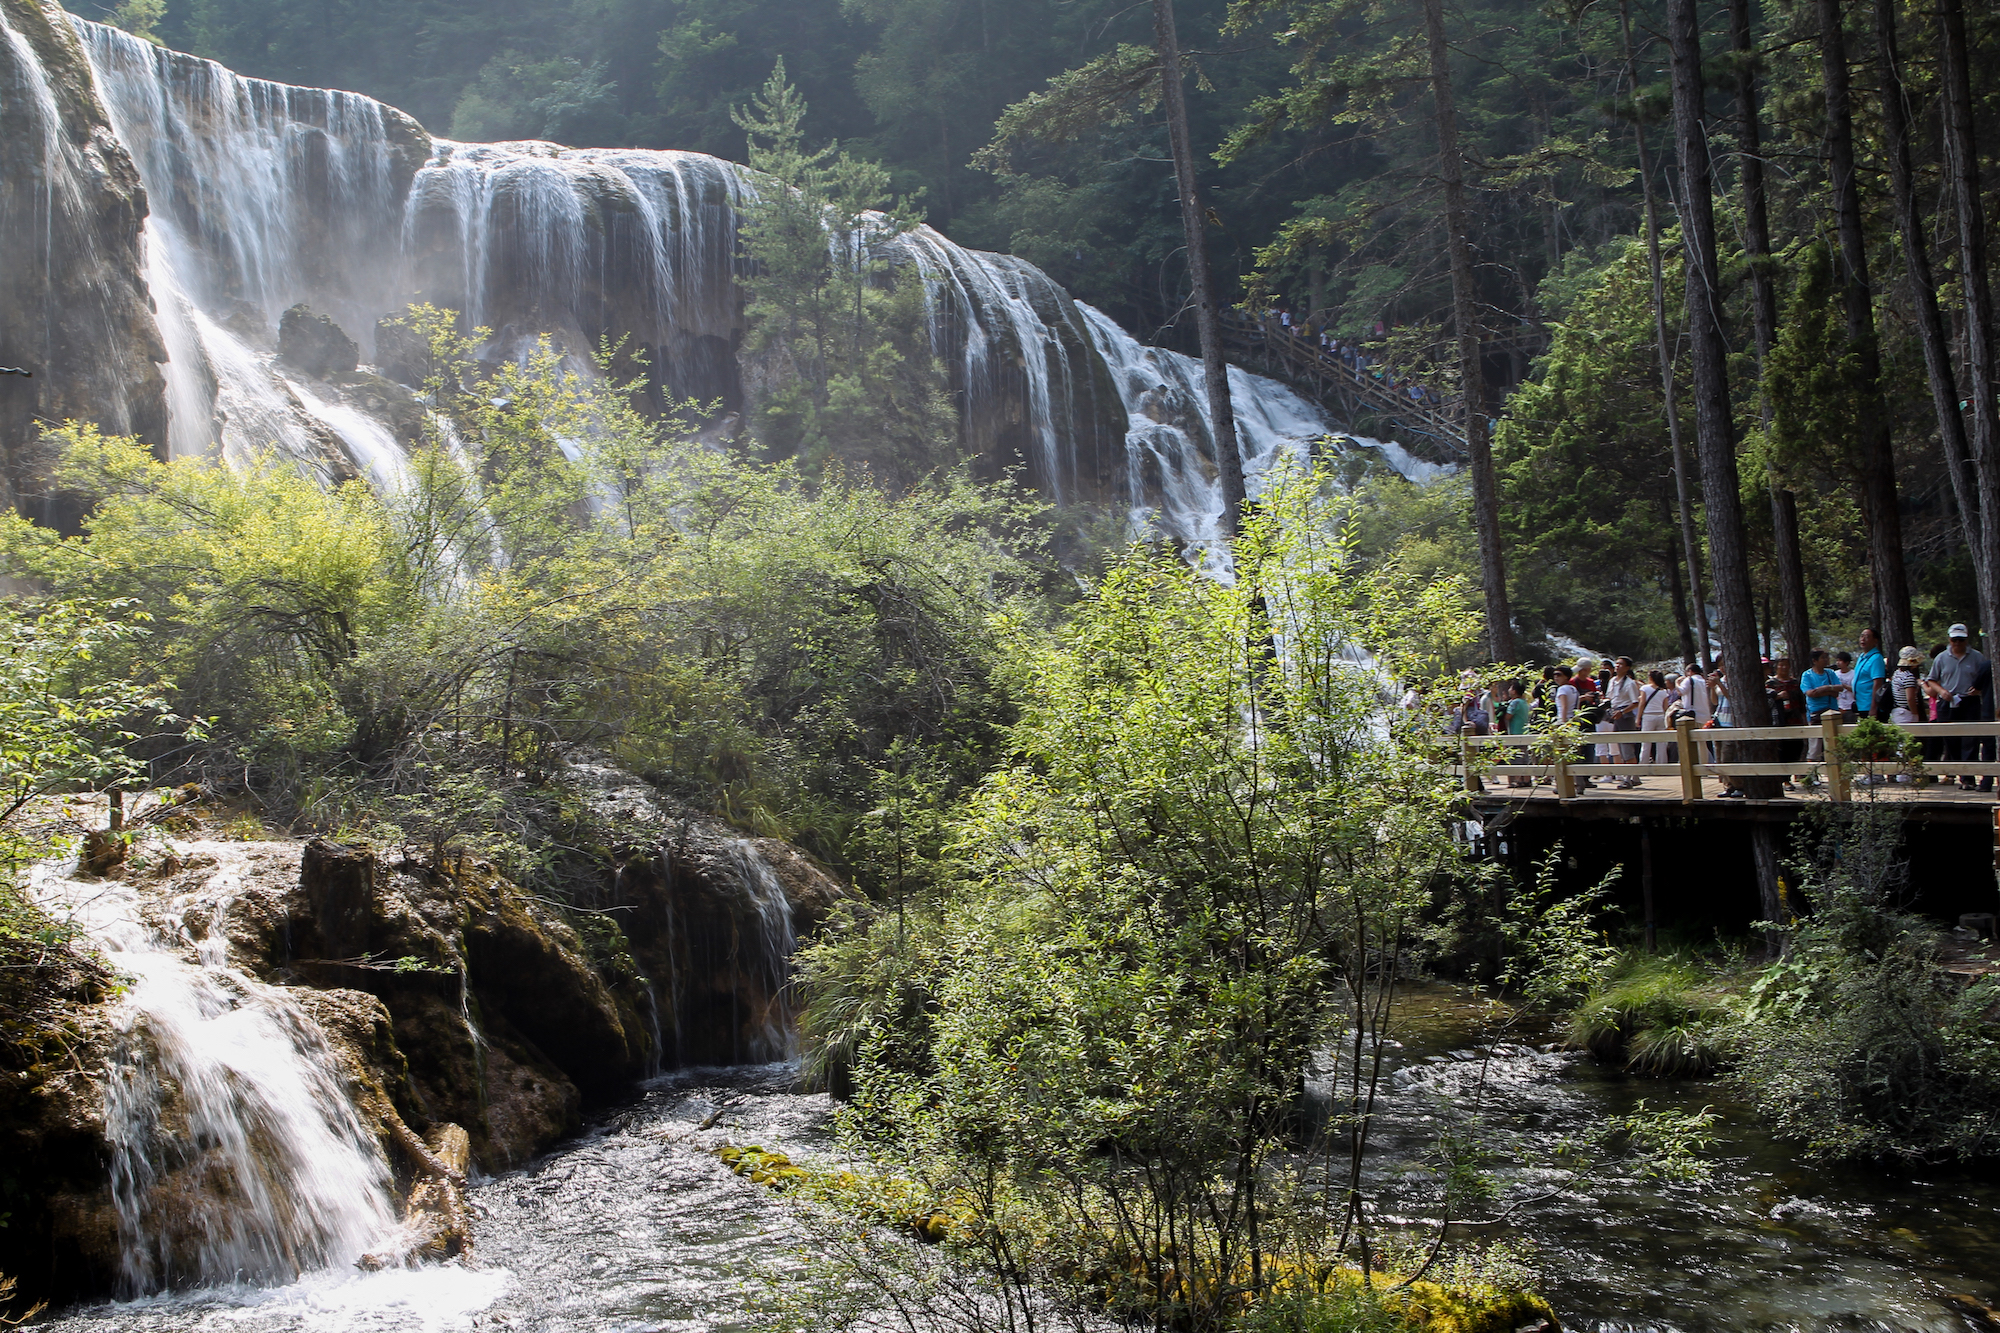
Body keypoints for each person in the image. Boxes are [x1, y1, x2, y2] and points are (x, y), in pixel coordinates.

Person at [1924, 623, 1990, 789]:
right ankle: (1958, 773)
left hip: (1969, 701)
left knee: (1970, 740)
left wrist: (1978, 690)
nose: (1957, 643)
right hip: (1948, 702)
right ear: (1949, 639)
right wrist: (1941, 691)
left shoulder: (1977, 657)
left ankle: (1968, 779)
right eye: (1954, 640)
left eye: (1961, 640)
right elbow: (1931, 679)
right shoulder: (1941, 658)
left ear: (1966, 640)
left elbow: (1985, 677)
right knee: (1950, 740)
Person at [1604, 656, 1644, 788]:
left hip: (1625, 716)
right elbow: (1610, 698)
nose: (1617, 666)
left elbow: (1635, 702)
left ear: (1627, 668)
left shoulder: (1630, 683)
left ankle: (1628, 779)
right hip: (1614, 713)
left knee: (1627, 748)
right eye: (1616, 664)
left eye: (1621, 664)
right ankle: (1635, 776)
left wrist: (1623, 712)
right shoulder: (1612, 681)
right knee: (1619, 747)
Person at [1800, 648, 1841, 764]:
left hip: (1832, 711)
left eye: (1826, 657)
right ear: (1815, 660)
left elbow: (1839, 689)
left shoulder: (1830, 673)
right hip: (1815, 713)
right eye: (1823, 657)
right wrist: (1830, 691)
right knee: (1815, 746)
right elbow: (1810, 693)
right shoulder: (1807, 675)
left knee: (1834, 744)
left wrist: (1824, 689)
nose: (1826, 660)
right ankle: (1813, 775)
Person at [1638, 669, 1676, 765]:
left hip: (1648, 715)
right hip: (1660, 716)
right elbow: (1665, 707)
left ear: (1650, 678)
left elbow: (1642, 703)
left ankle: (1643, 765)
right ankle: (1662, 765)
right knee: (1661, 743)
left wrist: (1638, 717)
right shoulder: (1663, 691)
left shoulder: (1645, 688)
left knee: (1646, 743)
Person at [1503, 677, 1532, 787]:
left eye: (1511, 688)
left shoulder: (1514, 703)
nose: (1509, 689)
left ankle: (1518, 780)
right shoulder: (1524, 702)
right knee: (1524, 757)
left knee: (1516, 757)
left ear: (1514, 691)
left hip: (1515, 733)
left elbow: (1508, 716)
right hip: (1524, 732)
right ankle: (1527, 780)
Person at [1854, 627, 1887, 720]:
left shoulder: (1876, 658)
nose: (1863, 639)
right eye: (1861, 636)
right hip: (1860, 704)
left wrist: (1873, 707)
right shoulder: (1861, 657)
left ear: (1875, 641)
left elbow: (1877, 683)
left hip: (1869, 705)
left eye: (1867, 637)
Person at [1833, 651, 1856, 721]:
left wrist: (1844, 686)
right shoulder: (1835, 674)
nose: (1838, 662)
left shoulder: (1853, 673)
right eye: (1837, 660)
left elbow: (1855, 689)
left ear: (1847, 662)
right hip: (1838, 706)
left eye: (1840, 660)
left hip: (1850, 706)